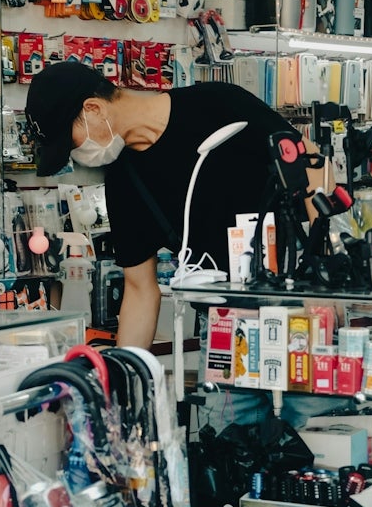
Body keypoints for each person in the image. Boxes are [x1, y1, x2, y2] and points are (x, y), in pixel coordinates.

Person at [26, 61, 305, 349]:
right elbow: (139, 289)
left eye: (72, 144)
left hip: (298, 305)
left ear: (94, 109)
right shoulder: (124, 182)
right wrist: (127, 370)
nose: (77, 156)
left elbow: (310, 164)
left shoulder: (218, 104)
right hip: (223, 323)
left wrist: (326, 278)